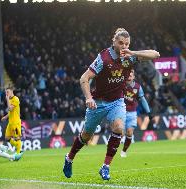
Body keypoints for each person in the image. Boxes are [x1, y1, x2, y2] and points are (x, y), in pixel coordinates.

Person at [63, 28, 160, 180]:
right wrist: (88, 98)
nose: (123, 46)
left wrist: (133, 53)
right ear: (113, 42)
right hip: (98, 102)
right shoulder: (104, 58)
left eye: (126, 43)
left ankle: (105, 167)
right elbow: (84, 78)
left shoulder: (130, 57)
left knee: (119, 128)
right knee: (86, 136)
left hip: (117, 101)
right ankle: (69, 158)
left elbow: (156, 54)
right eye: (120, 43)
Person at [120, 69, 153, 158]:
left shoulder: (138, 87)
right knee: (120, 132)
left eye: (130, 76)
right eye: (127, 75)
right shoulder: (120, 84)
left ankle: (124, 151)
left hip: (132, 113)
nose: (129, 77)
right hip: (120, 112)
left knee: (129, 133)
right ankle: (113, 148)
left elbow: (142, 100)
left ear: (134, 77)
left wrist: (148, 112)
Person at [1, 87, 23, 155]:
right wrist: (5, 117)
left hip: (15, 122)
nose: (6, 93)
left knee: (17, 138)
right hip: (10, 122)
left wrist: (7, 99)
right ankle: (18, 146)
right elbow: (11, 112)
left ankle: (18, 153)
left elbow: (10, 108)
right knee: (7, 137)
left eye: (8, 92)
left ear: (11, 91)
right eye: (6, 92)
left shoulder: (15, 99)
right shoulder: (10, 100)